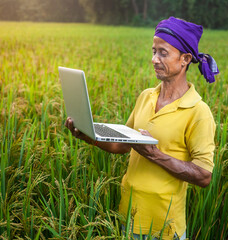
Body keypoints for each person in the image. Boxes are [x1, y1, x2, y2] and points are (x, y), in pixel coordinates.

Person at [65, 16, 219, 240]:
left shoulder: (198, 111)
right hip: (129, 215)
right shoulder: (146, 97)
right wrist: (88, 136)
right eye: (153, 51)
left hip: (164, 226)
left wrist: (155, 155)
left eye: (163, 53)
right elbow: (122, 145)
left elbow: (204, 176)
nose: (155, 59)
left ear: (185, 59)